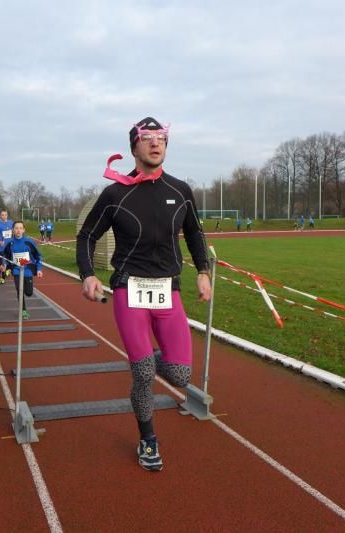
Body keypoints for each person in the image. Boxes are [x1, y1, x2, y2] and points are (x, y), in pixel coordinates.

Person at [77, 117, 211, 472]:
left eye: (161, 138)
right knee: (143, 375)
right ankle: (148, 438)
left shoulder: (180, 190)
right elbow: (87, 235)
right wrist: (88, 274)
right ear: (134, 146)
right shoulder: (115, 194)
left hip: (168, 290)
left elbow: (195, 234)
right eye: (147, 138)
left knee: (180, 376)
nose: (156, 143)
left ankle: (145, 360)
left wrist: (203, 271)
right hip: (129, 289)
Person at [2, 221, 42, 320]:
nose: (18, 230)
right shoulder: (10, 243)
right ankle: (23, 310)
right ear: (13, 230)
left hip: (28, 270)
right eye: (16, 228)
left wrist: (39, 269)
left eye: (20, 228)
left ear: (23, 230)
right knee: (19, 290)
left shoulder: (29, 242)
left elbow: (38, 256)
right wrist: (4, 264)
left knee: (29, 293)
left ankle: (26, 290)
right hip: (16, 270)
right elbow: (5, 256)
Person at [0, 210, 14, 284]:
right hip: (1, 248)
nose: (4, 216)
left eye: (5, 215)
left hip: (10, 246)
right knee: (2, 264)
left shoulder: (11, 223)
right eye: (2, 215)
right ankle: (2, 278)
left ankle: (8, 271)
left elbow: (14, 232)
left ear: (7, 216)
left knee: (10, 262)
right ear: (0, 216)